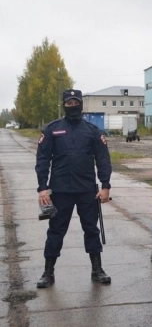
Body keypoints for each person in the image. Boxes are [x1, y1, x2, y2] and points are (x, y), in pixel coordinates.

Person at [35, 89, 112, 288]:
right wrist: (42, 188)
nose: (72, 106)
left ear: (81, 104)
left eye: (75, 103)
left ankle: (97, 270)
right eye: (68, 103)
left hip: (87, 190)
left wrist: (105, 186)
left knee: (91, 230)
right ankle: (48, 272)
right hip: (60, 191)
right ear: (63, 105)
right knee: (55, 231)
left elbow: (103, 159)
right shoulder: (52, 129)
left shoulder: (92, 131)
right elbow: (42, 159)